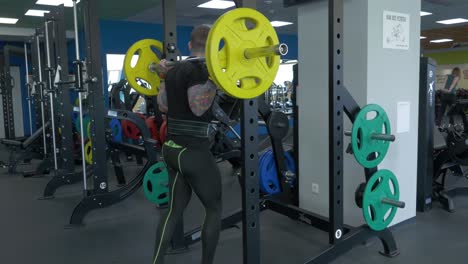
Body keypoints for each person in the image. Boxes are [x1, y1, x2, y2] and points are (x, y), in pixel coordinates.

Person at [152, 25, 222, 264]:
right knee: (214, 209)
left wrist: (162, 77)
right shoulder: (202, 71)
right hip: (193, 152)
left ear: (191, 45)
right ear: (214, 47)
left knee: (172, 211)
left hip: (172, 149)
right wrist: (215, 79)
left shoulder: (173, 72)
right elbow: (198, 107)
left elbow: (163, 105)